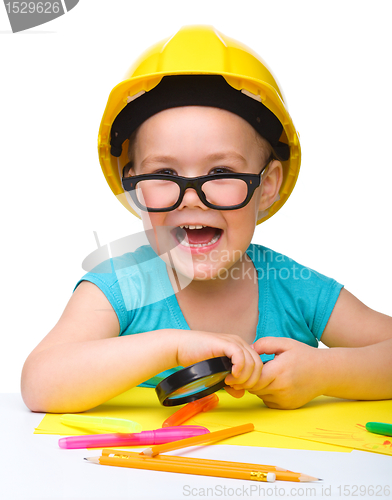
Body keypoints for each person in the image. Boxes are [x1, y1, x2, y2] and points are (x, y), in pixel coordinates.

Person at [21, 26, 392, 413]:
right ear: (133, 187)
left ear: (266, 186)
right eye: (164, 176)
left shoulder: (293, 287)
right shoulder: (119, 289)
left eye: (219, 174)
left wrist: (328, 372)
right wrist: (174, 347)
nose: (193, 199)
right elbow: (40, 382)